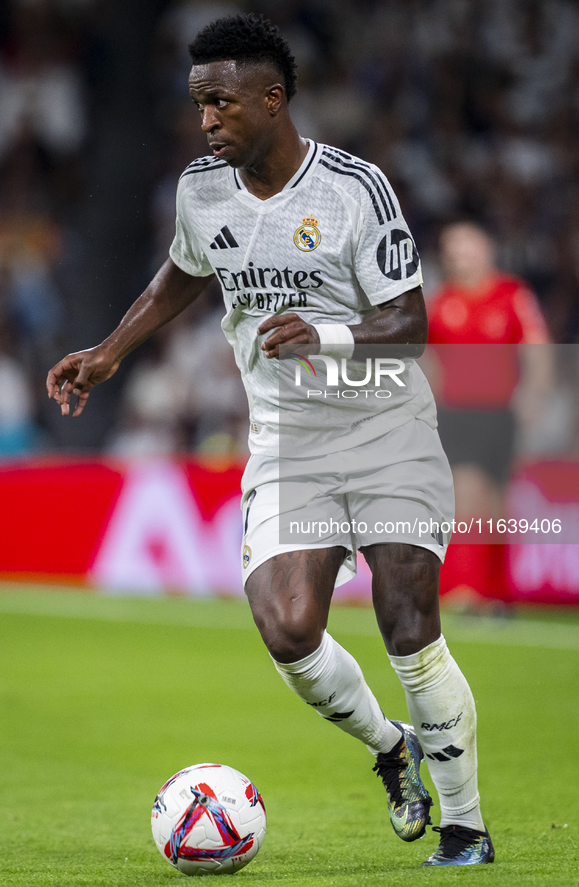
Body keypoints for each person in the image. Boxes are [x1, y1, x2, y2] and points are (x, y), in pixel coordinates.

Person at [47, 14, 493, 867]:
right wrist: (108, 352)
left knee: (407, 620)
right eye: (198, 104)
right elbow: (184, 268)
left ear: (272, 98)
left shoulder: (354, 188)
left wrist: (325, 334)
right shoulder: (200, 189)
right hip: (288, 444)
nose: (206, 120)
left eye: (220, 103)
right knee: (289, 630)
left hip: (384, 427)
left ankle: (466, 825)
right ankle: (391, 747)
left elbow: (409, 319)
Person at [427, 220, 552, 603]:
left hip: (500, 414)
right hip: (457, 414)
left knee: (498, 502)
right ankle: (464, 589)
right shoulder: (440, 303)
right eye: (455, 248)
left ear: (486, 250)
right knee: (466, 494)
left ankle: (497, 591)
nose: (462, 255)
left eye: (469, 246)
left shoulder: (512, 295)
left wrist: (534, 395)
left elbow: (537, 346)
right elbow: (428, 360)